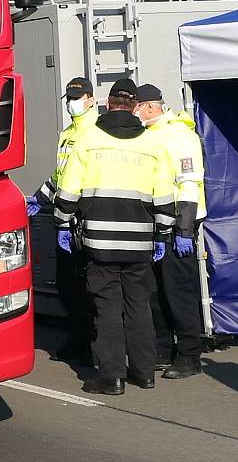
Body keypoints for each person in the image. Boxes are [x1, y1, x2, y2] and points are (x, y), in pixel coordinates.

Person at [54, 78, 176, 395]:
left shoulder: (88, 140)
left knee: (106, 307)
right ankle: (144, 371)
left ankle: (111, 377)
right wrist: (163, 234)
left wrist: (62, 222)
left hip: (99, 242)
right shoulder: (152, 145)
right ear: (135, 106)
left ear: (108, 104)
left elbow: (67, 192)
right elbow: (165, 197)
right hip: (140, 243)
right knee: (139, 305)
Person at [136, 83, 207, 380]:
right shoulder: (145, 135)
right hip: (154, 223)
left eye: (137, 107)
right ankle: (162, 348)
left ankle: (190, 355)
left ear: (150, 107)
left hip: (179, 222)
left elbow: (189, 182)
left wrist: (184, 229)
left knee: (179, 291)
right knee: (154, 291)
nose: (134, 112)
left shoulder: (179, 135)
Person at [27, 77, 98, 363]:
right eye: (69, 98)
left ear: (91, 99)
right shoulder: (68, 133)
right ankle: (80, 340)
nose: (72, 103)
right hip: (65, 215)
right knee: (69, 285)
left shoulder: (96, 132)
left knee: (88, 286)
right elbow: (60, 176)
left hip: (85, 215)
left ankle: (90, 343)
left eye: (77, 97)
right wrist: (40, 198)